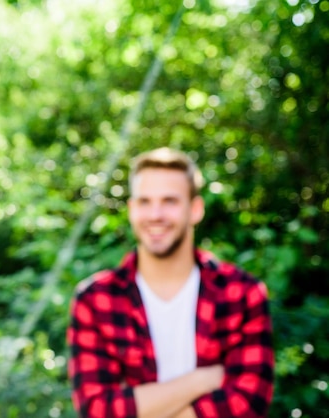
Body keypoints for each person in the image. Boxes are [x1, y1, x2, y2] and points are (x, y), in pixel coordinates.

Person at [67, 147, 274, 417]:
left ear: (195, 209)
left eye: (170, 201)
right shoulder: (94, 299)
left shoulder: (242, 293)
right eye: (144, 202)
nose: (155, 215)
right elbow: (98, 409)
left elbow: (249, 403)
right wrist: (200, 381)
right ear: (131, 210)